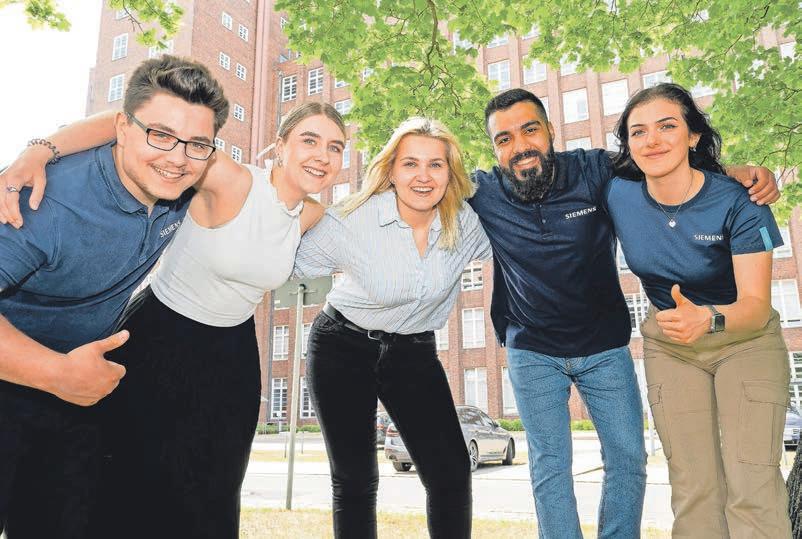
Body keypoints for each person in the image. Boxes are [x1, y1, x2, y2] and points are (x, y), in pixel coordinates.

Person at [1, 100, 345, 539]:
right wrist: (40, 150)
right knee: (132, 478)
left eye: (335, 147)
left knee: (215, 487)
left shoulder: (312, 214)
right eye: (309, 140)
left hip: (234, 353)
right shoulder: (229, 177)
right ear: (280, 146)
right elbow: (127, 122)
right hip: (163, 335)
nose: (322, 155)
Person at [468, 87, 780, 539]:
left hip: (605, 345)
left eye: (529, 130)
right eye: (504, 139)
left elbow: (664, 164)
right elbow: (425, 184)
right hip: (531, 349)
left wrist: (742, 173)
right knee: (550, 466)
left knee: (628, 460)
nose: (520, 145)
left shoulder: (595, 169)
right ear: (494, 148)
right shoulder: (482, 191)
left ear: (550, 131)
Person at [0, 54, 229, 539]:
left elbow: (138, 122)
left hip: (76, 396)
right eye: (160, 135)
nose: (177, 157)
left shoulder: (182, 179)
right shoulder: (42, 203)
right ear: (125, 130)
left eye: (196, 144)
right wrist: (55, 373)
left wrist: (44, 144)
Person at [604, 82, 791, 538]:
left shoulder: (740, 201)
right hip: (672, 346)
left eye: (667, 126)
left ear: (693, 136)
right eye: (638, 132)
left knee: (752, 485)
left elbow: (755, 306)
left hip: (744, 339)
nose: (652, 140)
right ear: (628, 145)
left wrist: (709, 317)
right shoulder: (618, 193)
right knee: (694, 489)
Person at [293, 117, 492, 538]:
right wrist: (291, 209)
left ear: (450, 173)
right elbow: (289, 262)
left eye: (436, 165)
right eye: (410, 164)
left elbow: (518, 248)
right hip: (341, 347)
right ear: (392, 171)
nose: (423, 176)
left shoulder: (466, 224)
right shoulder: (354, 218)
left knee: (451, 472)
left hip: (413, 353)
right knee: (355, 480)